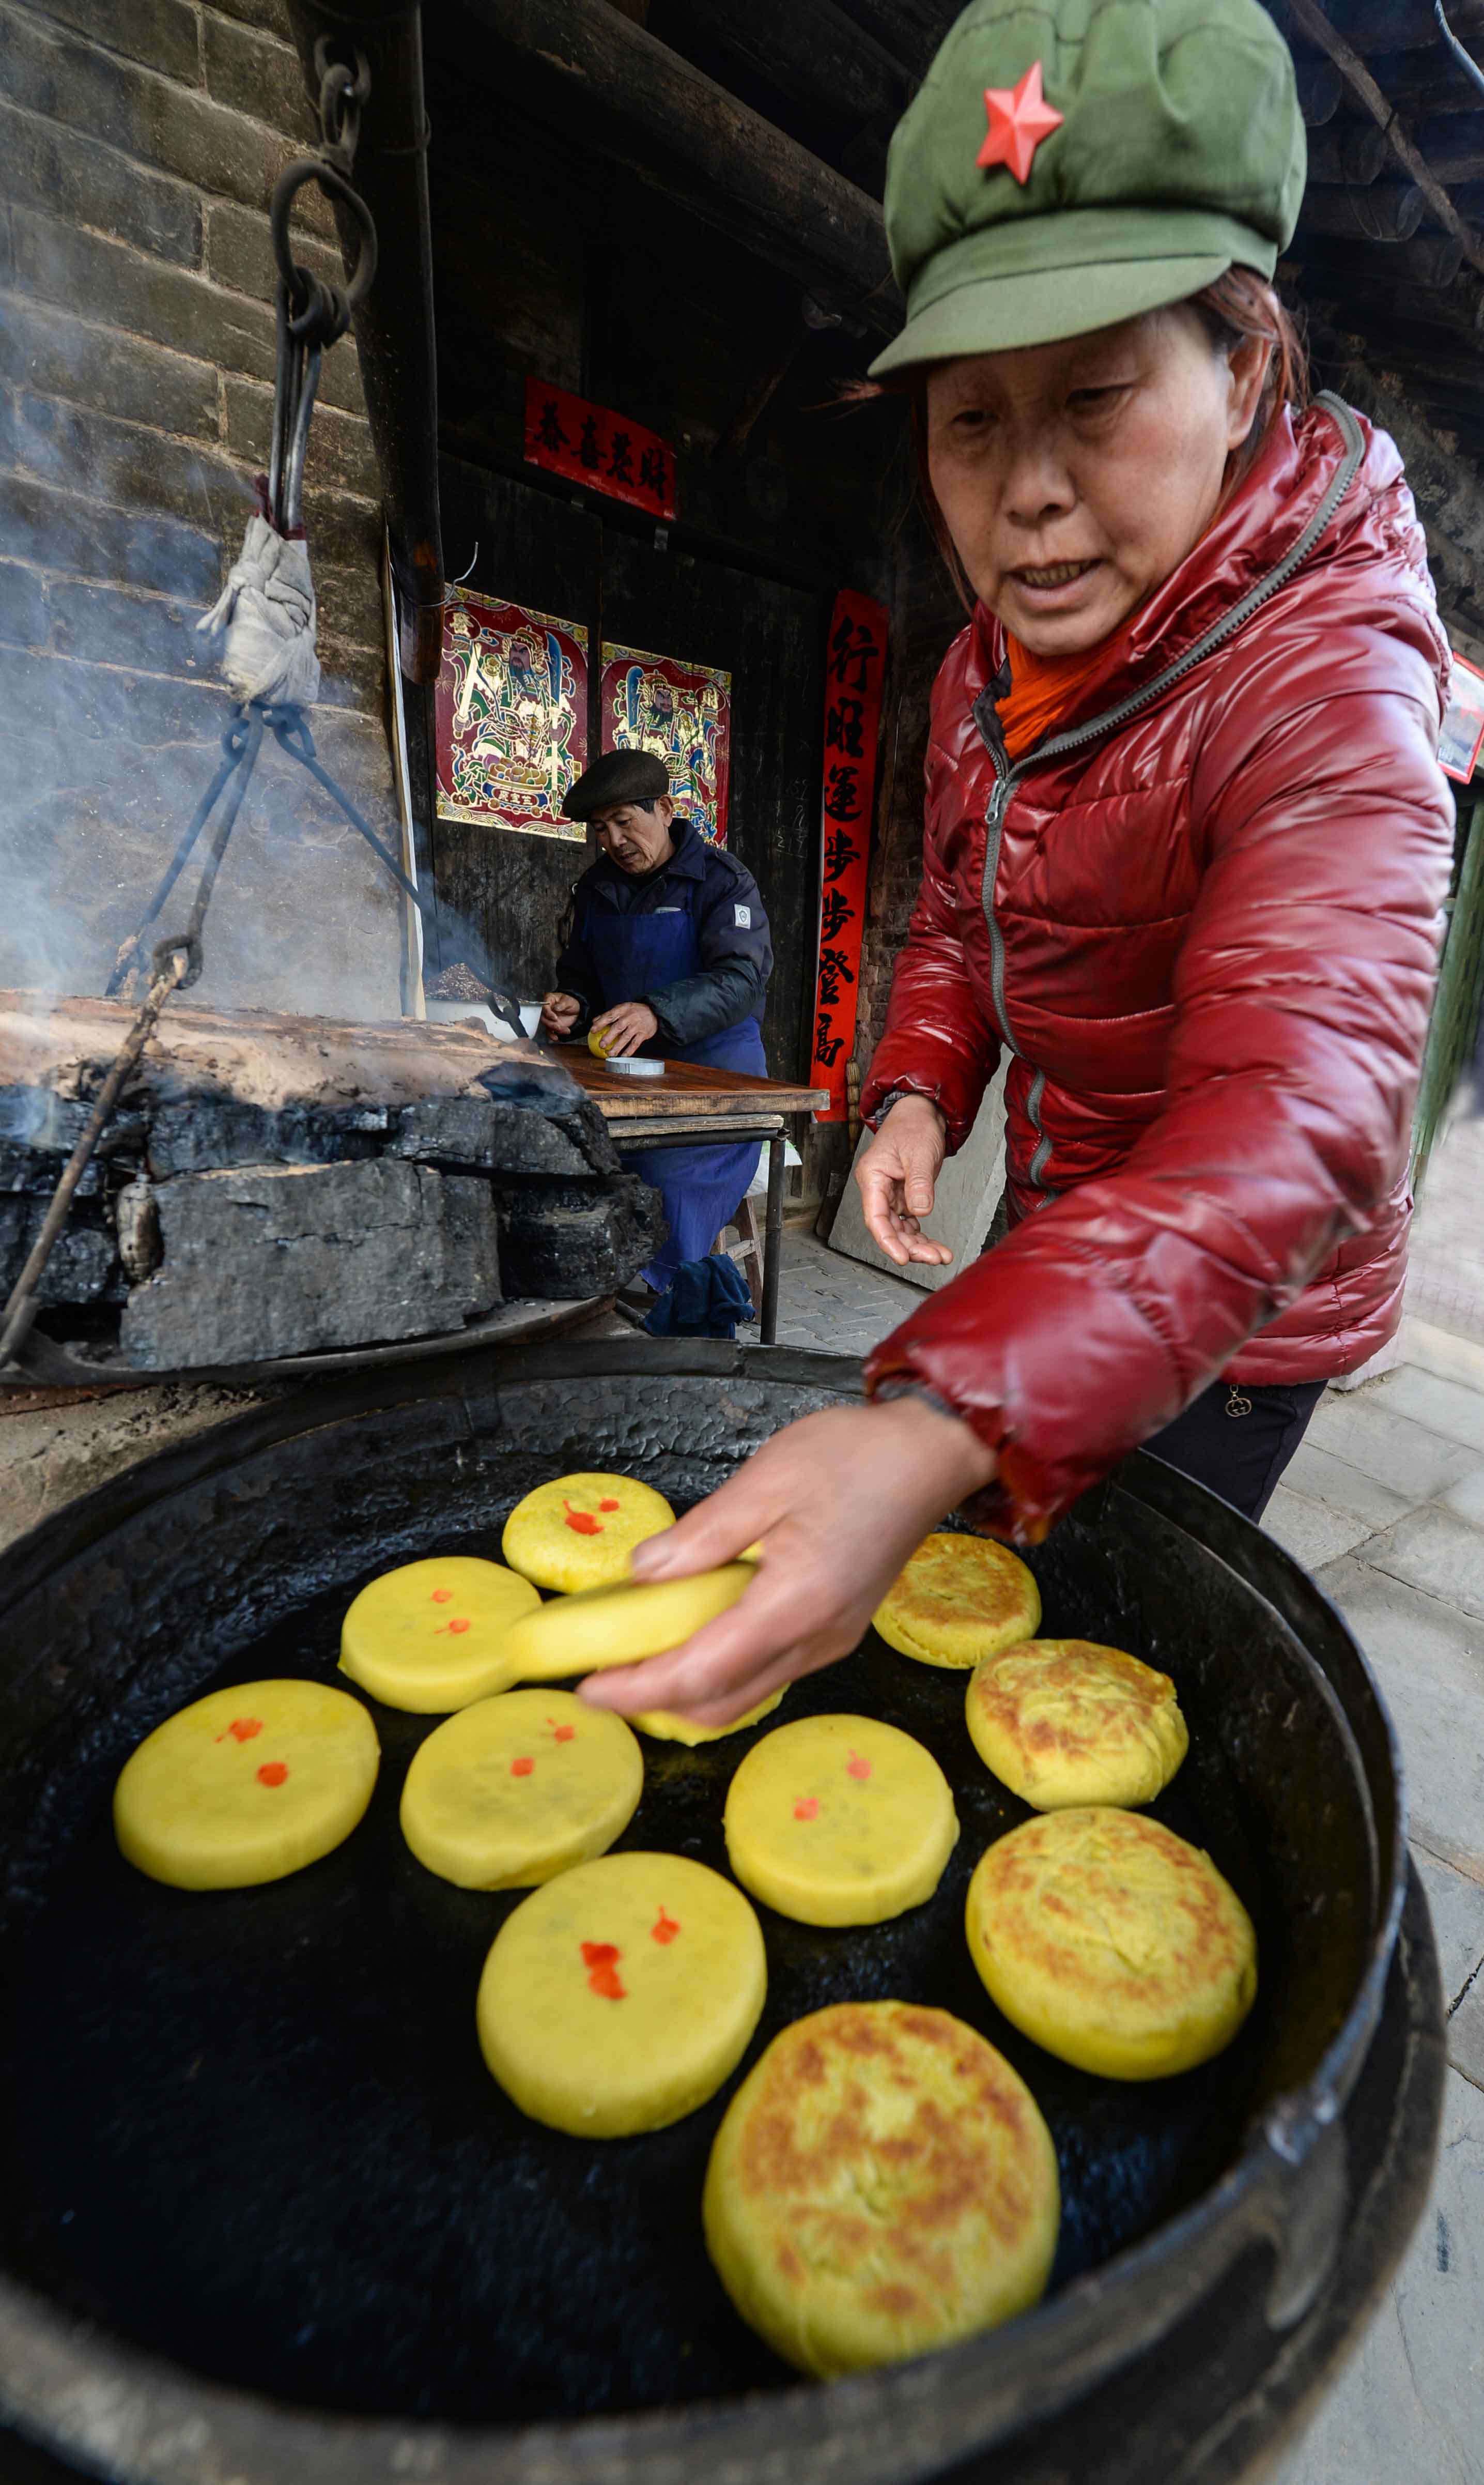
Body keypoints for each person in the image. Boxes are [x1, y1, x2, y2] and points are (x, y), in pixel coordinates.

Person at [576, 0, 1454, 1732]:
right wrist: (915, 1084)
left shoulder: (1332, 675)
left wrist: (930, 1417)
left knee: (1096, 1673)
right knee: (981, 1603)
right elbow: (967, 922)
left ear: (1248, 358)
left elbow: (1304, 1105)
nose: (1028, 493)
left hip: (1236, 1303)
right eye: (968, 421)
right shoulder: (989, 668)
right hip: (1061, 1232)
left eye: (1097, 395)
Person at [540, 748, 774, 1295]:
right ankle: (593, 1286)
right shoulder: (597, 887)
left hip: (717, 1083)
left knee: (667, 1183)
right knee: (565, 1155)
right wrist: (574, 1004)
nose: (614, 840)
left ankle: (676, 1300)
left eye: (626, 821)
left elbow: (742, 979)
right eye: (601, 828)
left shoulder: (721, 881)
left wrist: (655, 1011)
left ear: (665, 809)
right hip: (629, 1076)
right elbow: (583, 976)